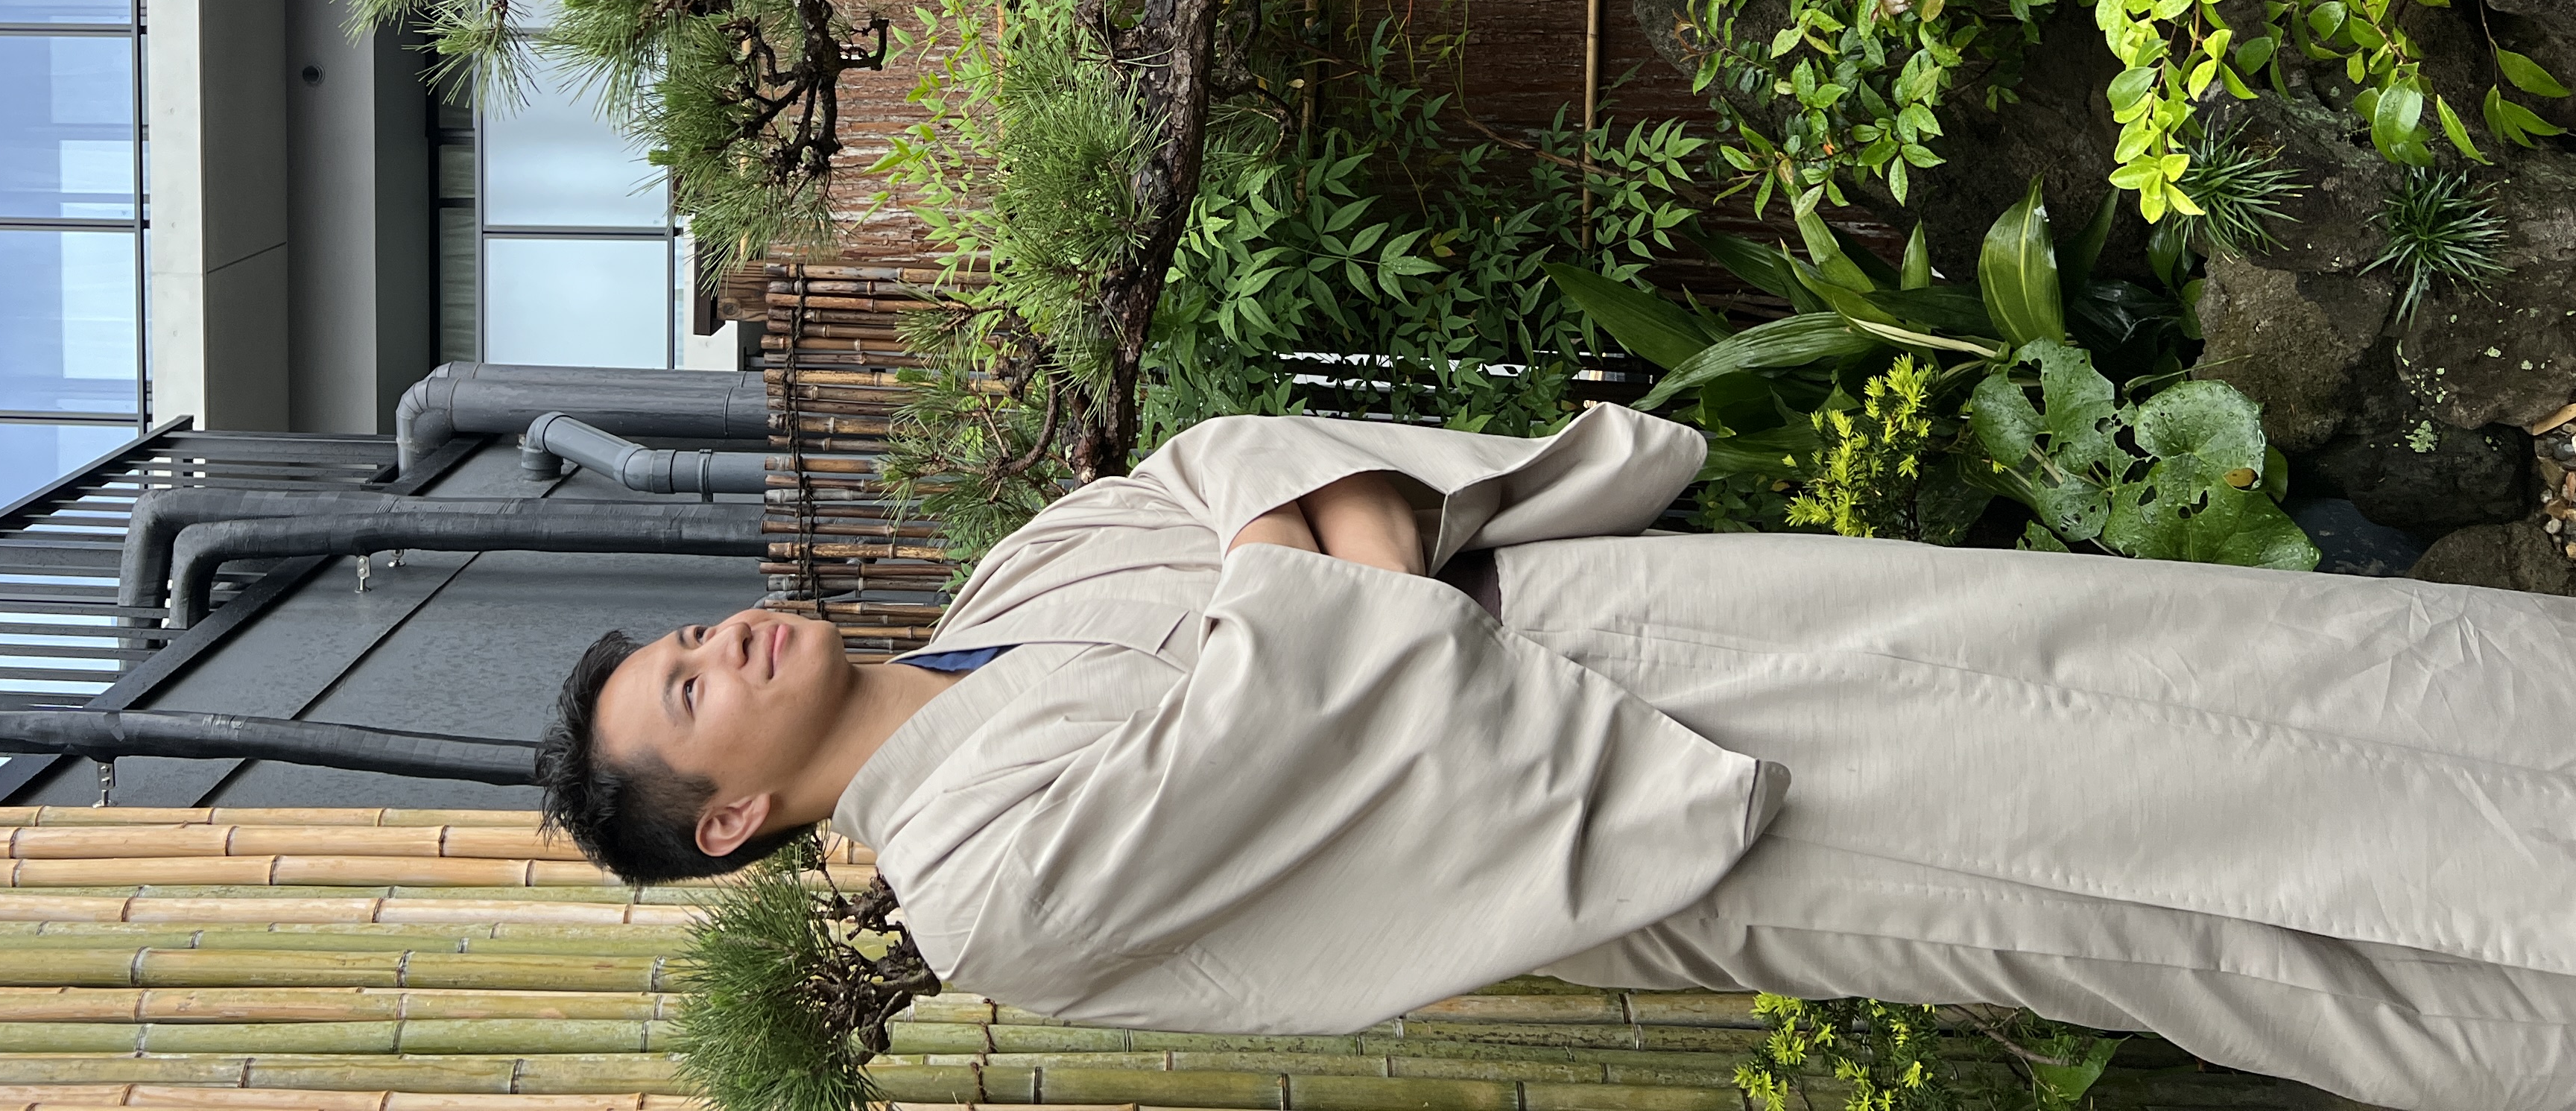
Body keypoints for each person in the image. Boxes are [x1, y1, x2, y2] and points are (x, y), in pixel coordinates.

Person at [537, 406, 2576, 1111]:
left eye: (690, 639)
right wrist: (1318, 583)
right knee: (2160, 883)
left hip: (1654, 615)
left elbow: (1250, 472)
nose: (725, 645)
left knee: (2192, 653)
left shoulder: (1018, 574)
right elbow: (1298, 719)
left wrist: (1316, 589)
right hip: (1659, 799)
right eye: (691, 700)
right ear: (734, 823)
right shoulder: (983, 890)